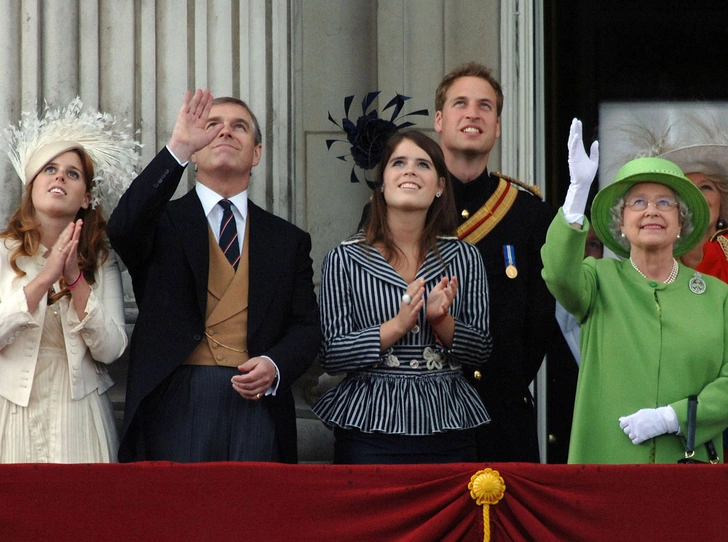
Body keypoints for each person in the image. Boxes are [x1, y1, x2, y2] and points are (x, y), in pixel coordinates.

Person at [107, 90, 321, 463]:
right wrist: (177, 148)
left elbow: (307, 328)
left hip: (257, 404)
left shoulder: (287, 240)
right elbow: (122, 227)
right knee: (180, 517)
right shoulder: (161, 224)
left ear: (255, 153)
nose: (225, 133)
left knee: (251, 519)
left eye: (239, 127)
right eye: (213, 126)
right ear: (195, 152)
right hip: (176, 397)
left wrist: (274, 366)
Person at [542, 118, 728, 463]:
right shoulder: (597, 280)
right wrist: (577, 192)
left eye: (665, 203)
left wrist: (674, 418)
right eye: (638, 203)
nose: (651, 211)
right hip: (608, 467)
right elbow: (557, 274)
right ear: (621, 223)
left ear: (681, 222)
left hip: (688, 468)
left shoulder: (718, 296)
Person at [312, 130, 492, 464]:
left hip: (448, 420)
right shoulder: (345, 259)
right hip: (369, 423)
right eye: (398, 163)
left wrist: (442, 321)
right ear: (381, 183)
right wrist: (397, 325)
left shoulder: (465, 257)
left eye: (422, 164)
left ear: (439, 186)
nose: (410, 171)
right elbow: (332, 354)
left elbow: (480, 350)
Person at [0, 100, 135, 463]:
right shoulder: (3, 251)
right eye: (50, 169)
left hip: (78, 411)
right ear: (31, 186)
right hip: (9, 407)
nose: (59, 177)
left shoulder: (102, 260)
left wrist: (75, 279)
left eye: (73, 174)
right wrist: (44, 279)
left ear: (87, 197)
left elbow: (111, 349)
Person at [433, 62, 556, 462]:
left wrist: (507, 383)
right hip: (422, 410)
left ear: (498, 126)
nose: (473, 113)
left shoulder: (529, 214)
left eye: (485, 106)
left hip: (501, 412)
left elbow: (539, 322)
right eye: (461, 104)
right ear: (439, 120)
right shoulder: (400, 205)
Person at [546, 221, 603, 463]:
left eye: (592, 244)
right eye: (574, 244)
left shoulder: (614, 308)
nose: (583, 254)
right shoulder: (540, 310)